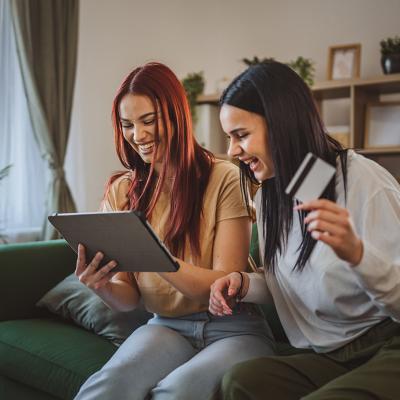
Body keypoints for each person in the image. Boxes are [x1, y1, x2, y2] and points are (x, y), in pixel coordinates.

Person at [73, 62, 275, 400]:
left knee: (178, 392)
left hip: (235, 329)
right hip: (166, 325)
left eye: (148, 121)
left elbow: (224, 283)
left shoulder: (224, 177)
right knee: (107, 387)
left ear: (176, 115)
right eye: (128, 125)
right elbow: (127, 300)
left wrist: (154, 256)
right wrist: (103, 286)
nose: (138, 136)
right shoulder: (121, 192)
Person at [209, 61, 400, 400]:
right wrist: (243, 284)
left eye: (241, 135)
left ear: (282, 124)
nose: (232, 152)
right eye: (229, 137)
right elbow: (291, 278)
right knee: (238, 382)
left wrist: (358, 255)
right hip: (329, 356)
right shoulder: (273, 193)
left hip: (389, 344)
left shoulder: (363, 182)